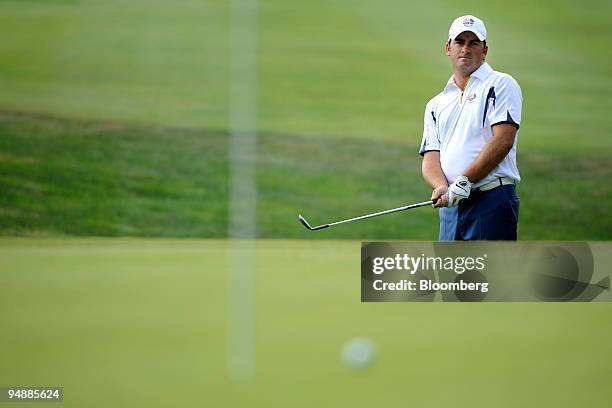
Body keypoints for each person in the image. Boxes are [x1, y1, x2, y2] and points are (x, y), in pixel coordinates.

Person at [419, 15, 523, 240]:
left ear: (484, 50)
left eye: (473, 43)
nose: (465, 49)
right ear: (448, 47)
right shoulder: (436, 104)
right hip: (452, 205)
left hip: (491, 199)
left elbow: (504, 139)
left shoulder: (500, 84)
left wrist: (464, 181)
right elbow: (430, 157)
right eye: (460, 42)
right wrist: (441, 186)